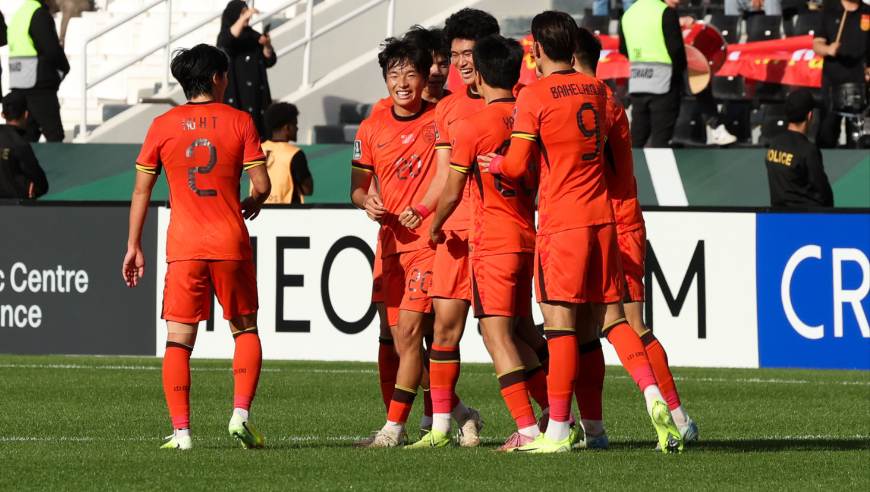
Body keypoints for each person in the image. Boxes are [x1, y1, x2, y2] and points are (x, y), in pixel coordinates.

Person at [481, 11, 682, 454]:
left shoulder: (533, 95)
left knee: (560, 326)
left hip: (563, 223)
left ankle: (556, 430)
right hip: (604, 220)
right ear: (573, 46)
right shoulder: (600, 90)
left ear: (534, 49)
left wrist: (494, 163)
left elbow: (515, 166)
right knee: (614, 318)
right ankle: (655, 397)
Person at [123, 44, 272, 451]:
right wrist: (252, 203)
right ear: (218, 78)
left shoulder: (162, 124)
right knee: (245, 328)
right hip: (229, 240)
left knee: (178, 340)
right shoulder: (240, 121)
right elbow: (262, 186)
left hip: (184, 244)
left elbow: (141, 190)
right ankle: (240, 414)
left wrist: (134, 245)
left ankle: (182, 433)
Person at [572, 26, 699, 450]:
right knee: (592, 329)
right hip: (607, 219)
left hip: (611, 222)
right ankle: (594, 430)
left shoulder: (594, 103)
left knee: (624, 323)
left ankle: (675, 414)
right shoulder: (604, 98)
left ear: (569, 58)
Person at [425, 34, 542, 451]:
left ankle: (527, 428)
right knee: (523, 332)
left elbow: (452, 190)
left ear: (482, 72)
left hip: (492, 241)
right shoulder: (531, 116)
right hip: (529, 235)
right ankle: (556, 418)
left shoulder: (475, 125)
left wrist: (435, 225)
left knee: (496, 337)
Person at [349, 38, 439, 448]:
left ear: (424, 78)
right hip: (388, 245)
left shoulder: (441, 120)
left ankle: (393, 430)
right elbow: (356, 188)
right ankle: (456, 412)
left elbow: (449, 177)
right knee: (400, 340)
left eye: (410, 73)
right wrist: (366, 200)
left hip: (427, 242)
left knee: (410, 333)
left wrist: (423, 208)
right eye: (393, 74)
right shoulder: (370, 128)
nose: (402, 82)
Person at [619, 0, 737, 147]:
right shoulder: (664, 12)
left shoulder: (629, 13)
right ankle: (716, 127)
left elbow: (623, 48)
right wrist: (680, 72)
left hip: (638, 80)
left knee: (638, 136)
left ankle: (632, 169)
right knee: (660, 139)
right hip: (664, 83)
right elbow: (676, 51)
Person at [8, 0, 69, 142]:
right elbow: (52, 50)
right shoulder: (39, 14)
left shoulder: (20, 13)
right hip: (39, 85)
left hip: (19, 83)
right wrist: (65, 68)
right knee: (54, 136)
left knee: (26, 138)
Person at [813, 0, 870, 148]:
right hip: (833, 83)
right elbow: (817, 44)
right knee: (827, 133)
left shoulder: (867, 12)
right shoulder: (829, 11)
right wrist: (828, 49)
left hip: (861, 83)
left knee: (859, 138)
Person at [218, 0, 277, 140]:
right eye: (243, 13)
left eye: (247, 12)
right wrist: (244, 17)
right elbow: (226, 41)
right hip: (236, 92)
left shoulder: (253, 36)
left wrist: (267, 46)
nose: (248, 16)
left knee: (257, 132)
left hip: (256, 95)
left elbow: (269, 61)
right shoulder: (226, 36)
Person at [765, 89, 835, 207]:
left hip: (778, 216)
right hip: (806, 218)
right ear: (809, 115)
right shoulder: (808, 150)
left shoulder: (775, 144)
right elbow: (823, 192)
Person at [257, 102, 313, 204]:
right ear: (287, 128)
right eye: (295, 124)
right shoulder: (294, 153)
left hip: (259, 210)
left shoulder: (258, 149)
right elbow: (308, 190)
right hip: (285, 212)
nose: (297, 128)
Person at [0, 92, 48, 199]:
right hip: (16, 207)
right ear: (26, 114)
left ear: (3, 114)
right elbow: (41, 185)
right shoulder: (20, 144)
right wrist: (31, 187)